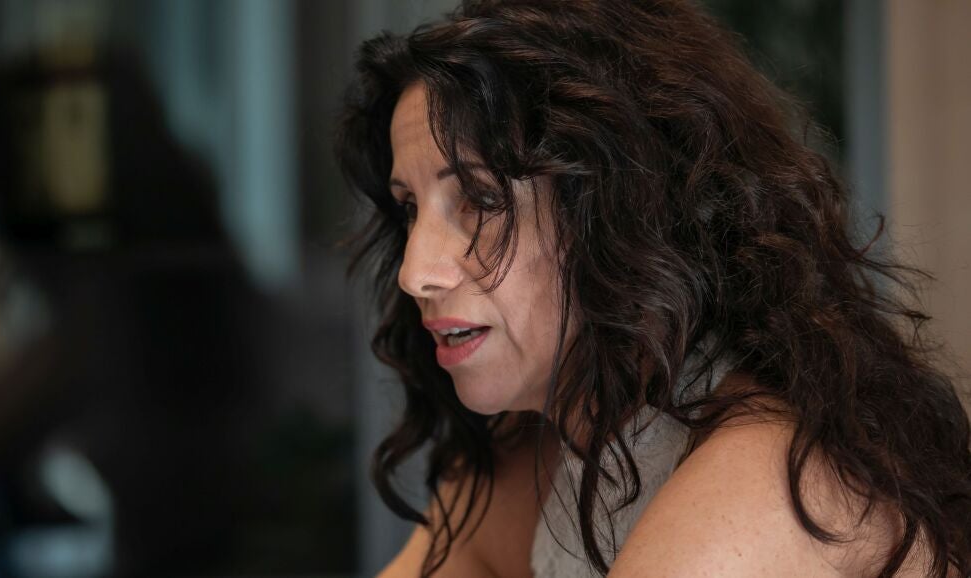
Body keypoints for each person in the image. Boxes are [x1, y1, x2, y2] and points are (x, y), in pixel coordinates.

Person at [334, 1, 971, 576]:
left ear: (623, 208)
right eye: (410, 207)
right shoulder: (550, 446)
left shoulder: (761, 483)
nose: (414, 273)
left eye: (480, 198)